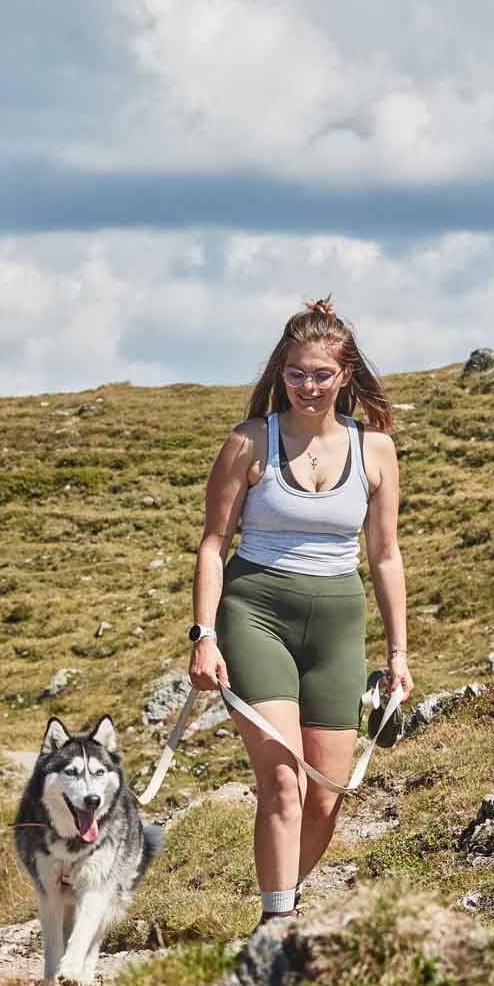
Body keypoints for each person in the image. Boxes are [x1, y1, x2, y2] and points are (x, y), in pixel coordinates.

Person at [187, 298, 412, 927]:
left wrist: (398, 655)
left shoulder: (377, 451)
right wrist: (204, 635)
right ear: (279, 373)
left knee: (326, 798)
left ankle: (286, 893)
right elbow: (213, 544)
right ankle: (276, 922)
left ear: (344, 376)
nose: (307, 387)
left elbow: (386, 555)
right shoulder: (248, 441)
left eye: (320, 375)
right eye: (295, 374)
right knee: (283, 780)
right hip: (256, 610)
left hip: (337, 621)